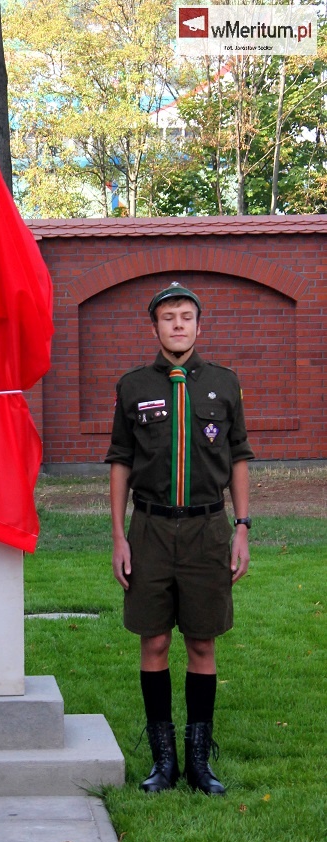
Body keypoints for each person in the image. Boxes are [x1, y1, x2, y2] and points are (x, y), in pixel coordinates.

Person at [105, 282, 253, 795]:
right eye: (168, 317)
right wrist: (118, 536)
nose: (178, 325)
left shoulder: (224, 383)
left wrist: (241, 527)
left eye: (186, 316)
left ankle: (199, 762)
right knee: (154, 640)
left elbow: (238, 457)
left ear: (198, 325)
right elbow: (120, 462)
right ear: (155, 327)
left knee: (202, 642)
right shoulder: (132, 386)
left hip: (207, 531)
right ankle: (163, 761)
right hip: (148, 529)